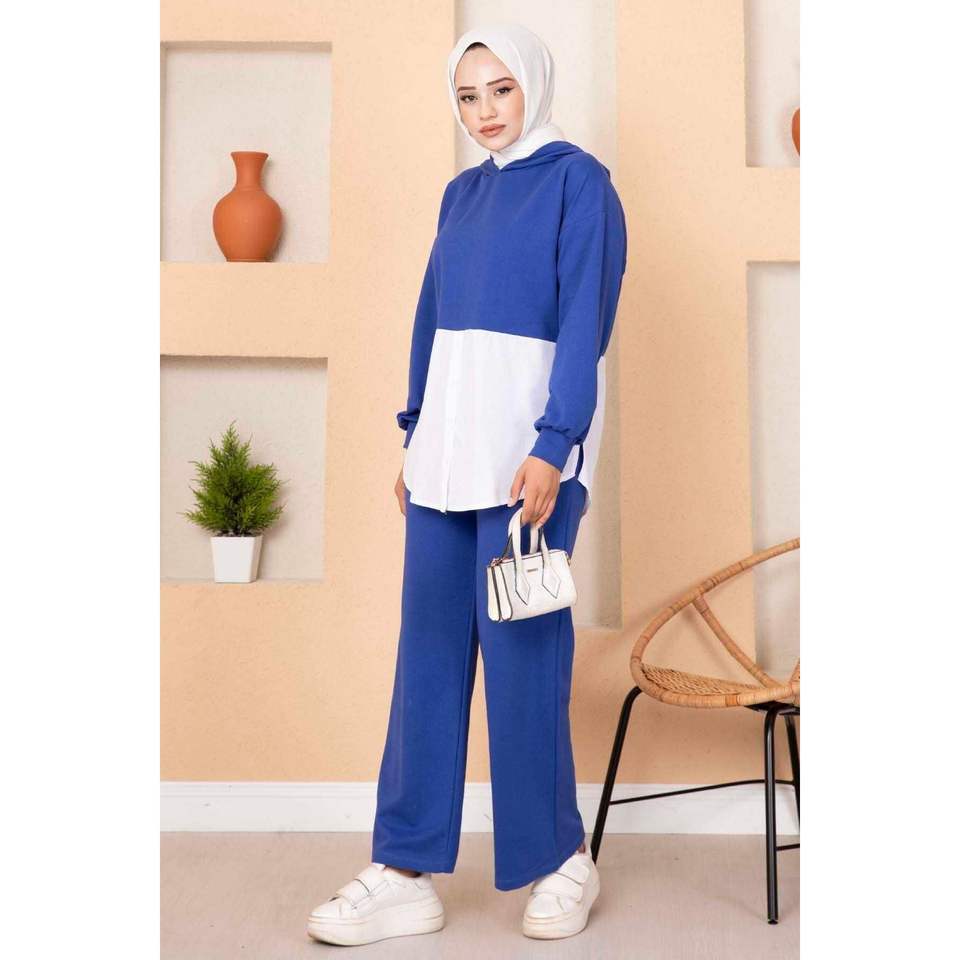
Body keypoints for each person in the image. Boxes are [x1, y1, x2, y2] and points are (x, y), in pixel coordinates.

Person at [307, 22, 627, 946]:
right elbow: (432, 323)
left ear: (532, 87)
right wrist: (416, 436)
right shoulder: (461, 195)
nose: (484, 111)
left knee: (524, 661)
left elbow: (584, 324)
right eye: (467, 95)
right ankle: (404, 868)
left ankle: (561, 859)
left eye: (500, 90)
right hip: (444, 462)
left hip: (528, 465)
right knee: (427, 662)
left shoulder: (580, 183)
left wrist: (555, 444)